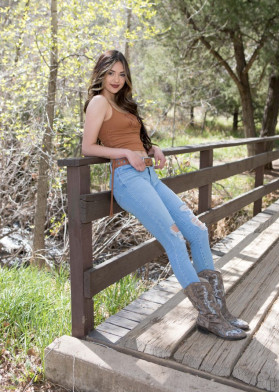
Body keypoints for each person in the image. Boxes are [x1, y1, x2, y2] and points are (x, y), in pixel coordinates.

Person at [82, 49, 249, 340]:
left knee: (197, 232)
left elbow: (132, 139)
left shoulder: (124, 105)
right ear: (101, 73)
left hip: (148, 175)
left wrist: (152, 149)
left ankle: (219, 311)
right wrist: (124, 153)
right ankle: (208, 316)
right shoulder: (98, 102)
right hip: (127, 179)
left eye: (122, 74)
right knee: (173, 237)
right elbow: (88, 147)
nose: (116, 79)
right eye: (111, 73)